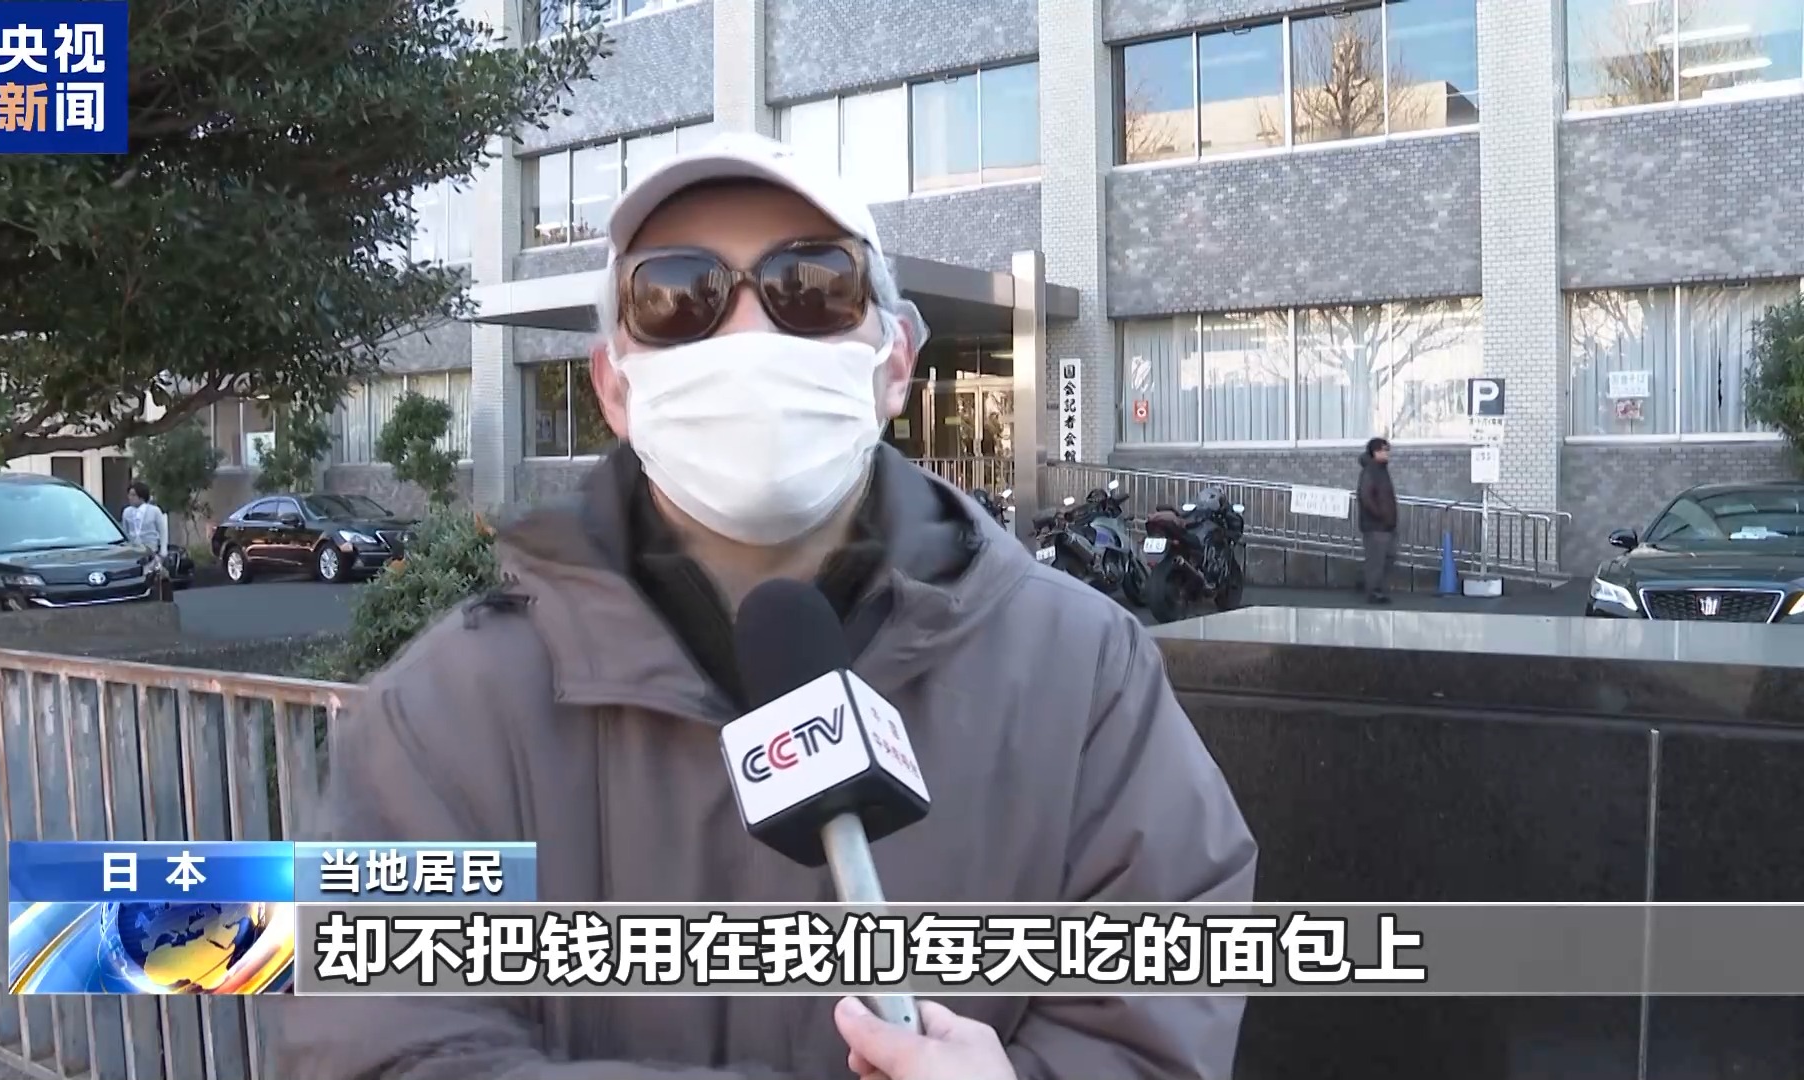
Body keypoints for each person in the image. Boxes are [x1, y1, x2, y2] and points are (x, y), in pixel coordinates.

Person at [276, 131, 1257, 1080]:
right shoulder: (445, 714)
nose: (748, 335)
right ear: (613, 387)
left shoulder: (1084, 677)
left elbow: (1156, 1014)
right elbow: (378, 1047)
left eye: (812, 286)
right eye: (677, 296)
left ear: (896, 363)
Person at [1356, 437, 1399, 604]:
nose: (1387, 453)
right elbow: (1366, 497)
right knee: (1376, 559)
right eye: (1384, 450)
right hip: (1375, 525)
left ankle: (1378, 588)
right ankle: (1373, 591)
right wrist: (1381, 515)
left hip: (1386, 525)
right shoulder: (1370, 471)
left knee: (1388, 557)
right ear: (1375, 452)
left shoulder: (1381, 470)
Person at [121, 480, 170, 594]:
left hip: (151, 550)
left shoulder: (154, 511)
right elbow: (125, 531)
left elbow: (162, 531)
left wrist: (163, 550)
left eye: (133, 495)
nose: (130, 498)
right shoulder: (127, 512)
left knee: (152, 577)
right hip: (134, 551)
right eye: (129, 495)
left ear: (141, 496)